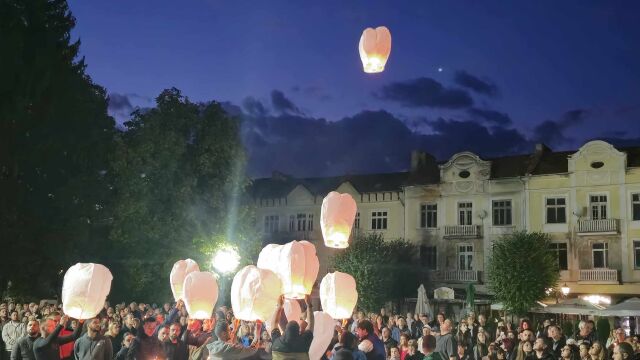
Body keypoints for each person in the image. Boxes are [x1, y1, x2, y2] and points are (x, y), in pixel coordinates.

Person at [270, 295, 314, 359]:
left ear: (284, 333)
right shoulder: (276, 344)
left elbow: (311, 324)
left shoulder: (303, 344)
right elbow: (274, 323)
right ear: (299, 332)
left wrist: (309, 305)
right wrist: (279, 306)